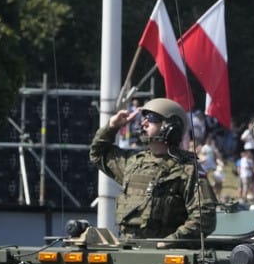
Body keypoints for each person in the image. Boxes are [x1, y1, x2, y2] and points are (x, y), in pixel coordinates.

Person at [90, 97, 217, 247]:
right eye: (144, 118)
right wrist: (111, 127)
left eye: (151, 118)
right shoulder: (133, 163)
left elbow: (205, 217)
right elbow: (98, 154)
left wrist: (170, 242)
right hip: (128, 250)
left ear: (170, 126)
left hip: (166, 257)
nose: (143, 123)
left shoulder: (187, 168)